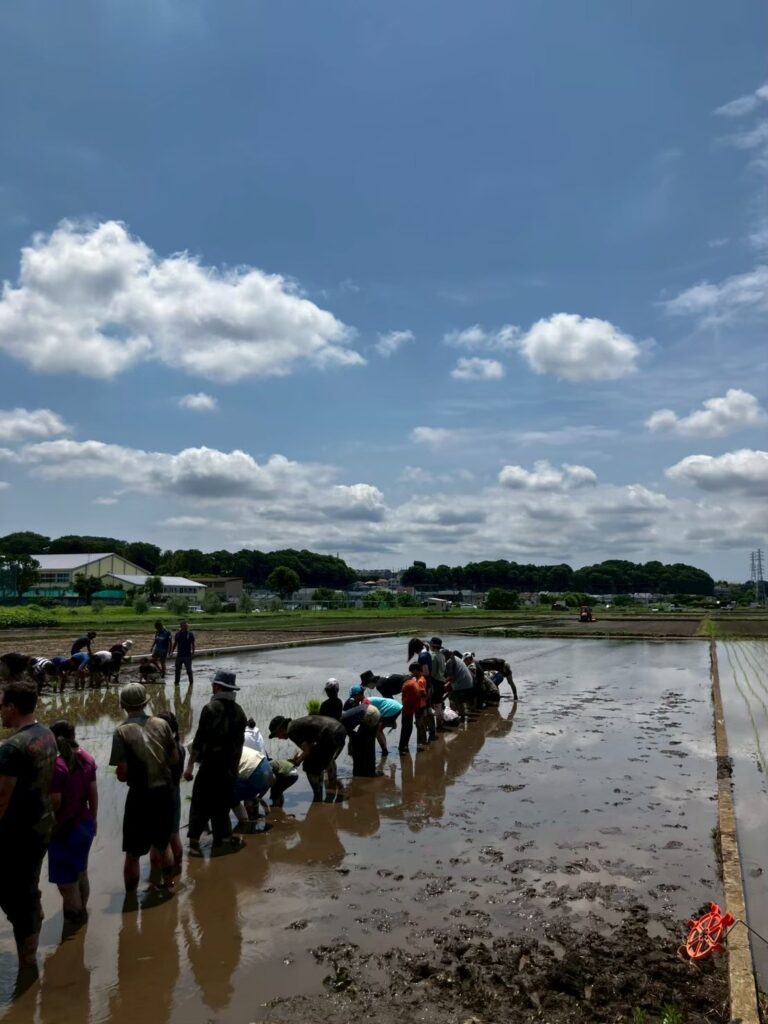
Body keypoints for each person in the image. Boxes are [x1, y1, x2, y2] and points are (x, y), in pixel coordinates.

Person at [0, 680, 57, 970]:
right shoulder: (46, 734)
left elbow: (2, 799)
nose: (0, 712)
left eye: (1, 706)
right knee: (26, 887)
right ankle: (31, 926)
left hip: (17, 833)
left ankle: (28, 962)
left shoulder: (12, 748)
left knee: (17, 896)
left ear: (11, 707)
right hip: (41, 824)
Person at [109, 682, 178, 892]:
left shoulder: (121, 732)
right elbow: (174, 758)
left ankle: (130, 898)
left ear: (122, 705)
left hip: (139, 795)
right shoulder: (162, 724)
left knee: (132, 853)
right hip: (163, 793)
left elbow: (122, 773)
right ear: (145, 703)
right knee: (163, 845)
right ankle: (168, 886)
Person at [184, 670, 246, 854]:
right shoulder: (239, 712)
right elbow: (239, 745)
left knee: (200, 803)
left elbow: (199, 741)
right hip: (229, 769)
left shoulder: (210, 709)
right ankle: (222, 841)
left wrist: (189, 767)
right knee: (222, 806)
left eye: (213, 684)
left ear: (218, 687)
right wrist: (235, 770)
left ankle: (194, 843)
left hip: (210, 766)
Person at [48, 721, 97, 926]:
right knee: (81, 872)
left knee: (67, 885)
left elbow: (55, 802)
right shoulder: (87, 758)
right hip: (85, 825)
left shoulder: (58, 765)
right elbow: (93, 793)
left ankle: (74, 926)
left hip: (64, 830)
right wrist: (94, 820)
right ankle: (82, 912)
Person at [269, 714, 346, 802]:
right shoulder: (295, 725)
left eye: (276, 735)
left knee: (309, 765)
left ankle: (318, 796)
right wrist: (297, 759)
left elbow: (307, 751)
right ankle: (334, 786)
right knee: (321, 756)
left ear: (280, 729)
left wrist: (296, 763)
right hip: (339, 729)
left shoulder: (291, 730)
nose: (279, 738)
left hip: (330, 734)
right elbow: (310, 747)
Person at [155, 710, 185, 870]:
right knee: (174, 834)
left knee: (157, 841)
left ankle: (158, 875)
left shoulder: (158, 750)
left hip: (160, 795)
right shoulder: (180, 748)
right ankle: (178, 868)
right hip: (175, 793)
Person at [342, 686, 380, 777]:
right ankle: (369, 770)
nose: (353, 698)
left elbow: (353, 722)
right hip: (373, 716)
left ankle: (360, 772)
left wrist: (350, 733)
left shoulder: (362, 704)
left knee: (361, 746)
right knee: (368, 745)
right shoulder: (359, 702)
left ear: (359, 695)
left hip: (371, 718)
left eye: (353, 696)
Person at [231, 746, 274, 828]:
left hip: (254, 774)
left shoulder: (213, 756)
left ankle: (244, 822)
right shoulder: (233, 745)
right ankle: (256, 814)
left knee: (229, 797)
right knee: (248, 792)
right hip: (265, 765)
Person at [398, 662, 428, 754]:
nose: (412, 674)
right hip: (419, 705)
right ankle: (422, 741)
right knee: (418, 724)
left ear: (416, 670)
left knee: (419, 724)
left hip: (418, 705)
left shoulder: (419, 681)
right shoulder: (421, 679)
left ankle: (421, 742)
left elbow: (422, 693)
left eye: (412, 671)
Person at [428, 637, 447, 737]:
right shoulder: (442, 655)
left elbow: (433, 673)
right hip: (441, 681)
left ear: (433, 646)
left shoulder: (433, 656)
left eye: (431, 644)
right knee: (439, 703)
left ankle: (437, 725)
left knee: (434, 704)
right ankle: (440, 723)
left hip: (435, 682)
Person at [171, 621, 195, 686]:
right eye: (184, 626)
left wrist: (193, 652)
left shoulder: (190, 634)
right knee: (177, 670)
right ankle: (176, 682)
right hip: (179, 655)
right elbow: (175, 643)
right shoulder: (178, 634)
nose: (186, 627)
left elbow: (193, 644)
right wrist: (172, 651)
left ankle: (191, 683)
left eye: (186, 626)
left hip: (187, 655)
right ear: (181, 627)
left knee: (189, 670)